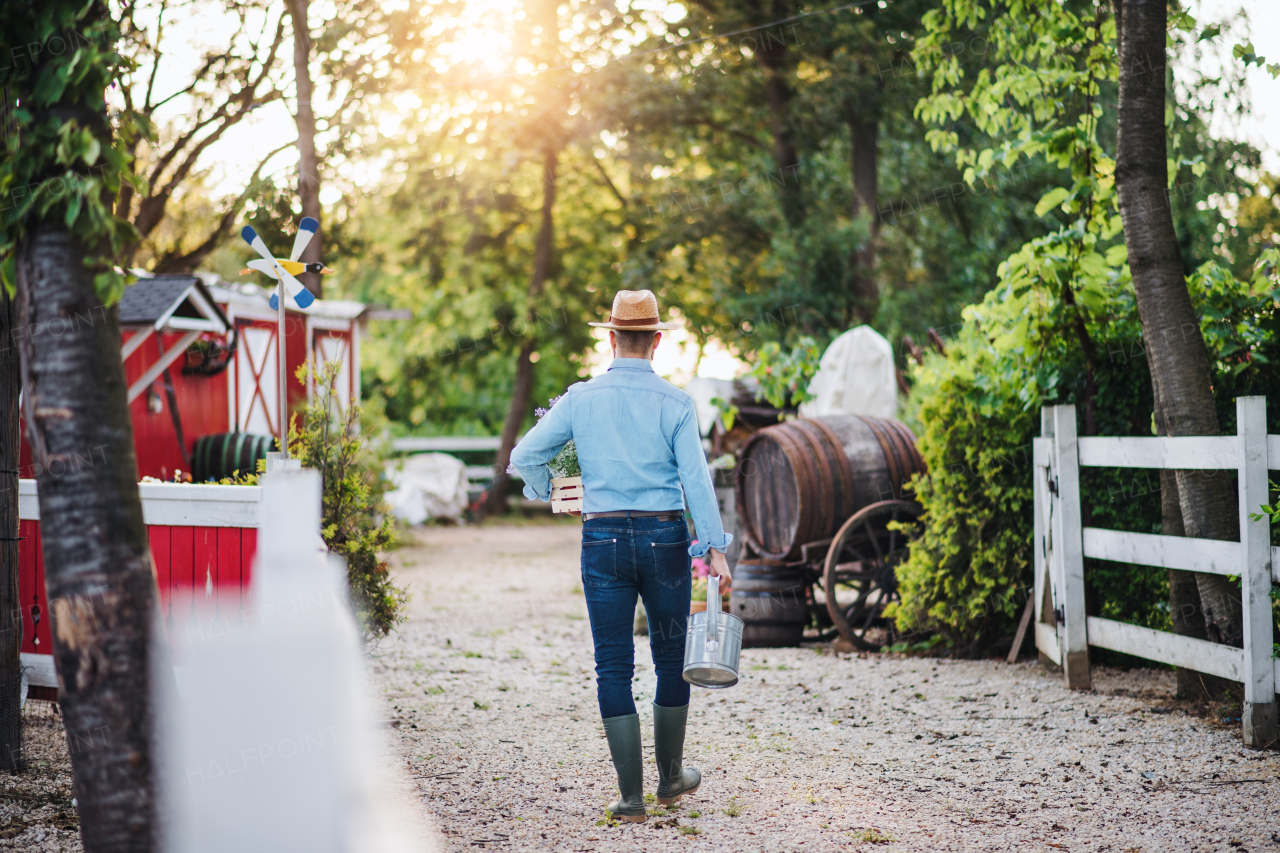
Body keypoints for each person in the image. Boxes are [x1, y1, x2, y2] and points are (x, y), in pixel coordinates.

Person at [510, 289, 733, 824]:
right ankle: (672, 777)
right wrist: (716, 549)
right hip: (664, 539)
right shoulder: (677, 404)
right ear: (656, 342)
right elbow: (696, 484)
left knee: (612, 665)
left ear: (610, 339)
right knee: (669, 659)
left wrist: (554, 492)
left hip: (602, 539)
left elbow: (523, 456)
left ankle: (630, 798)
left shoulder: (581, 399)